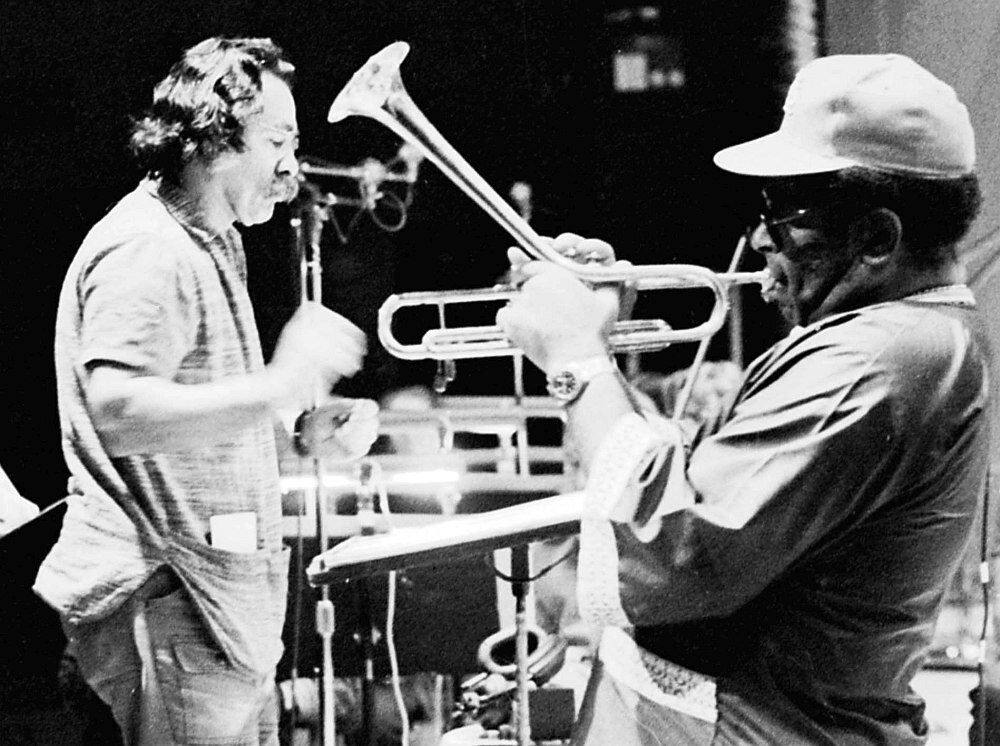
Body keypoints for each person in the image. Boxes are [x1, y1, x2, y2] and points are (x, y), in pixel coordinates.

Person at [497, 53, 991, 745]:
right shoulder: (899, 338)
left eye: (784, 211)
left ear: (876, 238)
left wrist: (578, 357)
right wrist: (594, 344)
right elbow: (687, 497)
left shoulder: (882, 357)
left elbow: (672, 552)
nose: (761, 237)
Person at [33, 37, 379, 746]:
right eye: (277, 140)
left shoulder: (212, 239)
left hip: (206, 609)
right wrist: (280, 382)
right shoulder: (148, 249)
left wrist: (294, 430)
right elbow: (121, 414)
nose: (292, 164)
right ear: (216, 141)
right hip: (168, 600)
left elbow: (194, 418)